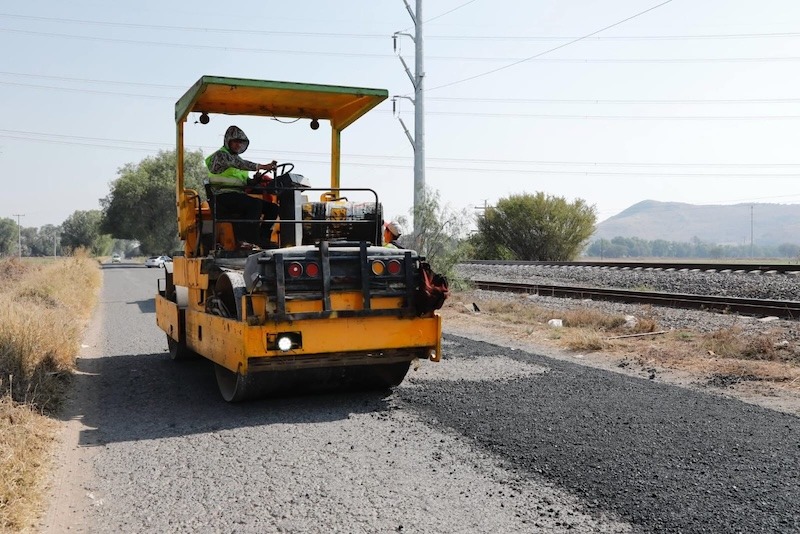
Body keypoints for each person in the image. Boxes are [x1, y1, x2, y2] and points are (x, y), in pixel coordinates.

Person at [205, 125, 279, 248]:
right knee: (255, 204)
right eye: (235, 142)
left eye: (241, 142)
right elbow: (240, 164)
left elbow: (242, 182)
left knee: (273, 208)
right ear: (228, 141)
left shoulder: (237, 159)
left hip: (237, 196)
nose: (238, 145)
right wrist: (263, 166)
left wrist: (255, 181)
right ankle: (250, 238)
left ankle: (263, 238)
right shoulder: (220, 156)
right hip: (222, 197)